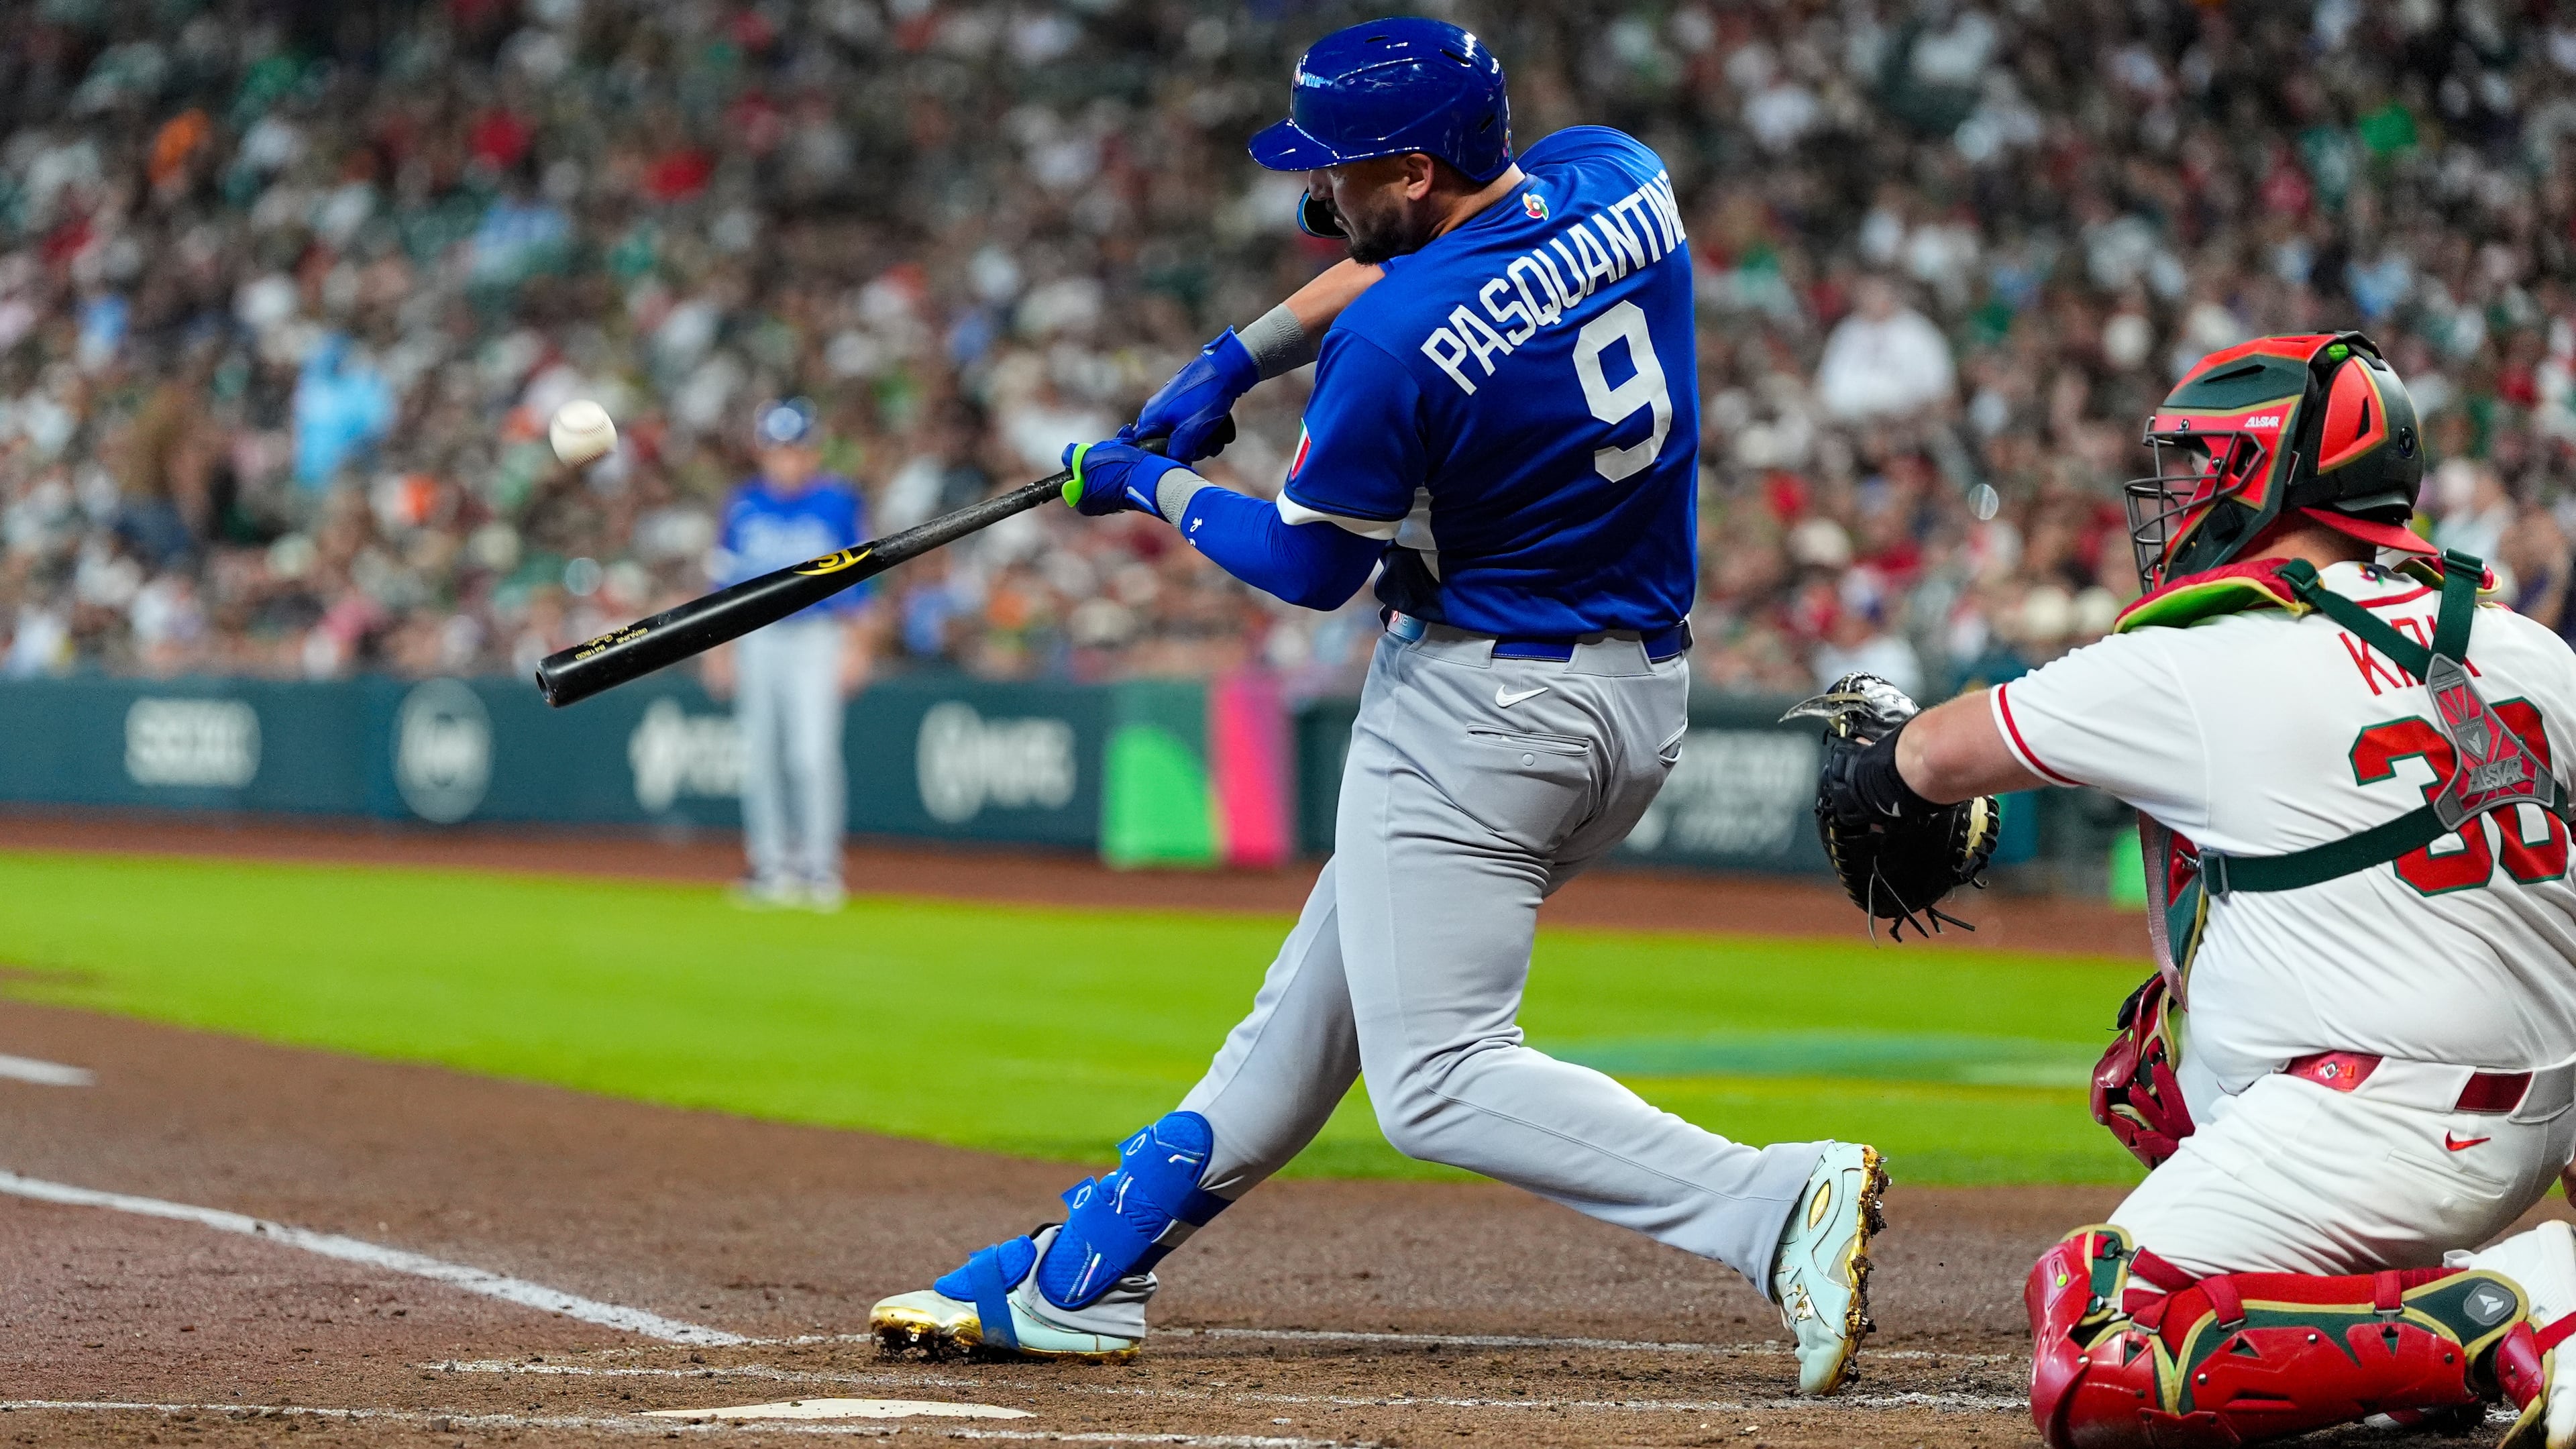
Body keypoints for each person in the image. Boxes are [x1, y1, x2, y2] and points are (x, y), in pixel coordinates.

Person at [870, 18, 1883, 1396]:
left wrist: (1150, 486)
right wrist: (1239, 357)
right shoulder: (1621, 177)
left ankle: (1774, 1206)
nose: (1316, 200)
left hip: (1477, 715)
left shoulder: (1395, 345)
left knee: (1440, 1080)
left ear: (1412, 170)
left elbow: (1310, 564)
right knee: (1313, 1014)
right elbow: (1430, 270)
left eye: (1341, 173)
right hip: (1635, 700)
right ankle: (1086, 1272)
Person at [1830, 333, 2576, 1447]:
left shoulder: (2198, 659)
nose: (2173, 496)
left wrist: (1868, 753)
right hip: (2536, 1124)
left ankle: (2503, 1316)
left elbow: (1930, 760)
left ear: (2267, 473)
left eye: (2196, 464)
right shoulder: (2531, 650)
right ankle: (2474, 1294)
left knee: (2093, 1345)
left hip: (2369, 1125)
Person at [706, 398, 875, 912]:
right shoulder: (742, 504)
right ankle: (772, 866)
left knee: (812, 754)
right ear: (764, 453)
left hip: (817, 636)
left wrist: (859, 645)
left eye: (796, 448)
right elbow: (724, 586)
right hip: (758, 639)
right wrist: (718, 652)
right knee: (761, 758)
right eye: (779, 449)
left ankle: (821, 866)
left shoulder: (836, 501)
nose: (788, 459)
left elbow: (864, 578)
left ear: (814, 451)